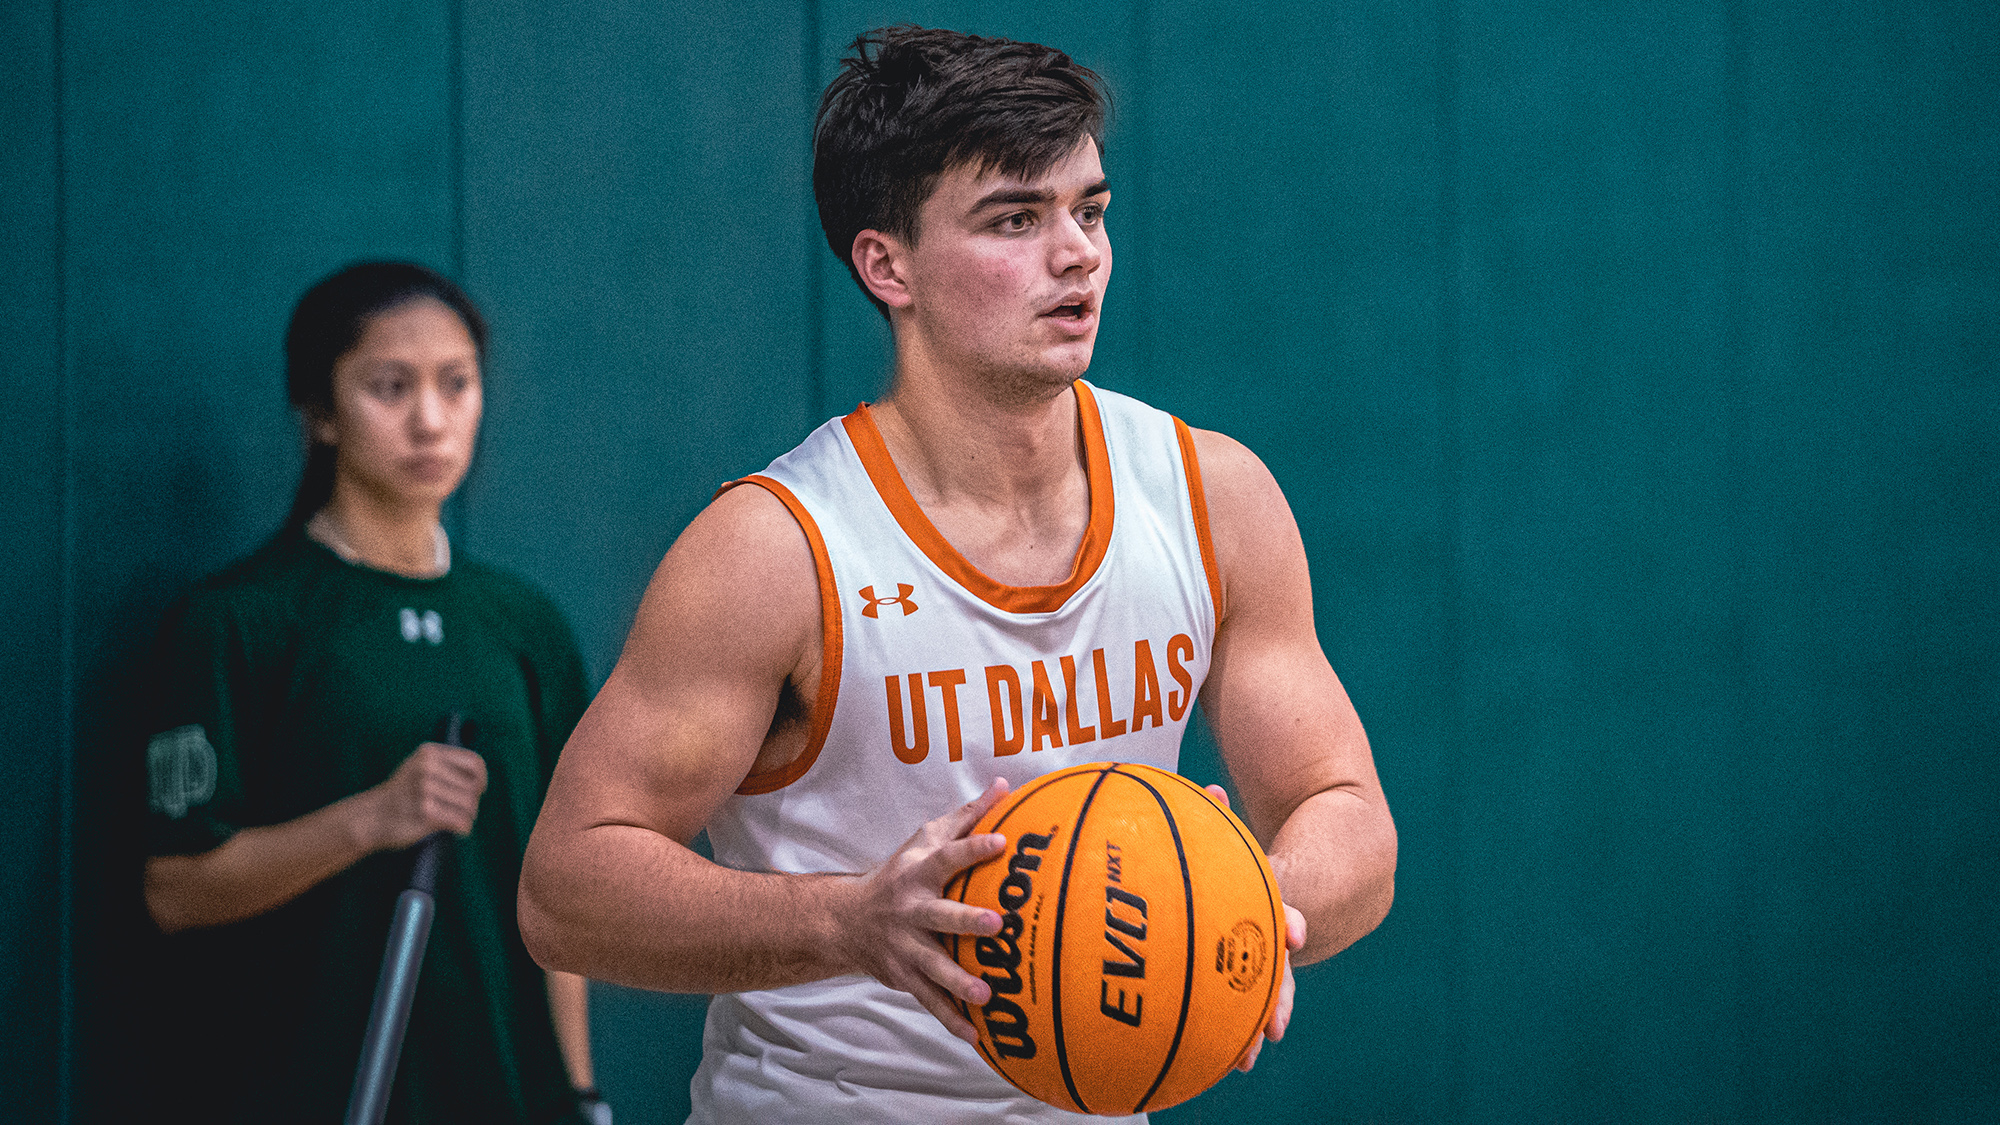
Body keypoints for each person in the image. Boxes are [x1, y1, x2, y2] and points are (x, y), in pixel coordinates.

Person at [519, 26, 1396, 1124]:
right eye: (1015, 220)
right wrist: (846, 922)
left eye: (1089, 209)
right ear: (886, 264)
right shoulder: (777, 550)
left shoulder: (1210, 496)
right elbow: (566, 889)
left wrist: (1237, 909)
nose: (1075, 253)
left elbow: (1347, 812)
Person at [141, 262, 606, 1124]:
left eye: (456, 384)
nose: (430, 419)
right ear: (320, 411)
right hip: (308, 1089)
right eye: (390, 387)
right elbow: (177, 888)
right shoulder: (238, 621)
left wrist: (579, 1092)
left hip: (510, 1095)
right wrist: (371, 817)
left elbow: (558, 891)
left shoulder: (522, 623)